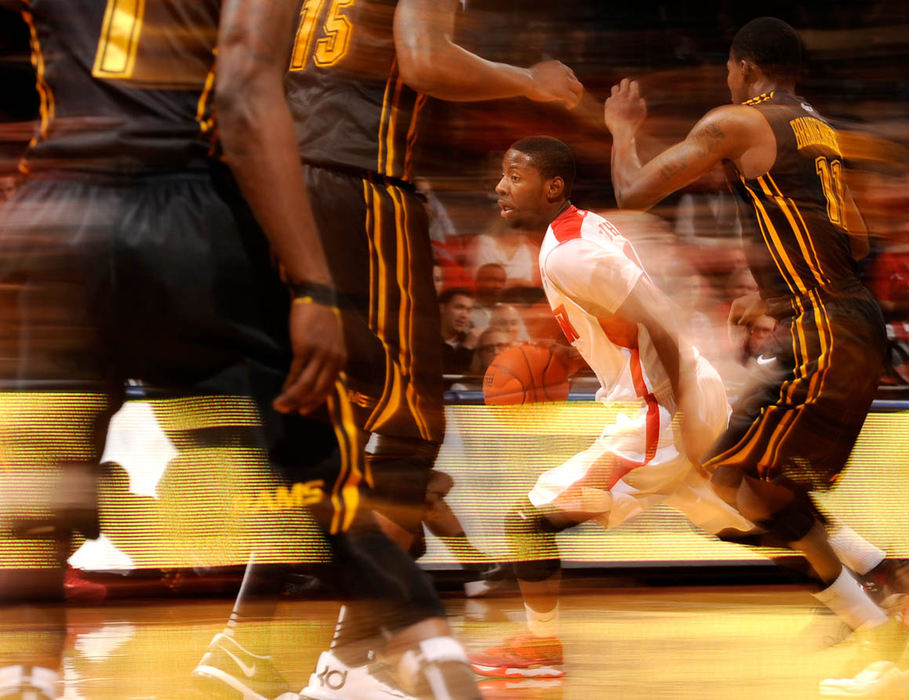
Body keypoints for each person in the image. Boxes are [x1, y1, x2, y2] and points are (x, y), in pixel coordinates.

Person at [197, 2, 584, 699]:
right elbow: (425, 59)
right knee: (410, 436)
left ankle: (248, 646)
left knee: (322, 433)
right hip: (356, 190)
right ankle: (338, 671)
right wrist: (527, 78)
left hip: (274, 185)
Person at [467, 136, 909, 683]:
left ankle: (540, 650)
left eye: (515, 175)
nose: (501, 185)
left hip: (662, 410)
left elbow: (659, 323)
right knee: (752, 523)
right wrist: (582, 358)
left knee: (526, 522)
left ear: (553, 186)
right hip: (683, 393)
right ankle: (886, 587)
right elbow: (628, 321)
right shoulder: (584, 226)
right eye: (503, 173)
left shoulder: (572, 252)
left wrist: (683, 417)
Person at [0, 0, 346, 697]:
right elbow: (246, 92)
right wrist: (313, 285)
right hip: (188, 214)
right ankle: (270, 650)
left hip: (56, 209)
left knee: (38, 473)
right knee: (306, 457)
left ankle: (27, 674)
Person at [603, 17, 909, 694]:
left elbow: (632, 194)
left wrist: (621, 133)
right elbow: (857, 243)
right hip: (840, 318)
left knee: (731, 480)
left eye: (729, 71)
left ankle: (882, 625)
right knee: (742, 479)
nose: (727, 81)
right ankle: (885, 578)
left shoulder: (738, 120)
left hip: (824, 329)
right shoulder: (819, 131)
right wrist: (772, 293)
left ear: (743, 67)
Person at [440, 287, 477, 375]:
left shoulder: (473, 342)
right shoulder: (423, 342)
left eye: (469, 310)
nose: (464, 315)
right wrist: (466, 349)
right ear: (442, 308)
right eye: (459, 307)